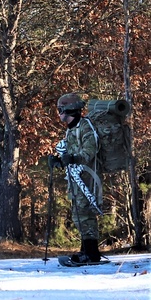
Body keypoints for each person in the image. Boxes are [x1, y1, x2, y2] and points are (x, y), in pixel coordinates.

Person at [50, 93, 103, 265]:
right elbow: (70, 154)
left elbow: (89, 151)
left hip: (87, 177)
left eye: (60, 110)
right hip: (76, 177)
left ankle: (92, 254)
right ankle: (85, 251)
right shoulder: (71, 129)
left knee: (85, 214)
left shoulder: (85, 127)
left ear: (68, 110)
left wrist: (73, 159)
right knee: (78, 213)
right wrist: (59, 161)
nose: (58, 114)